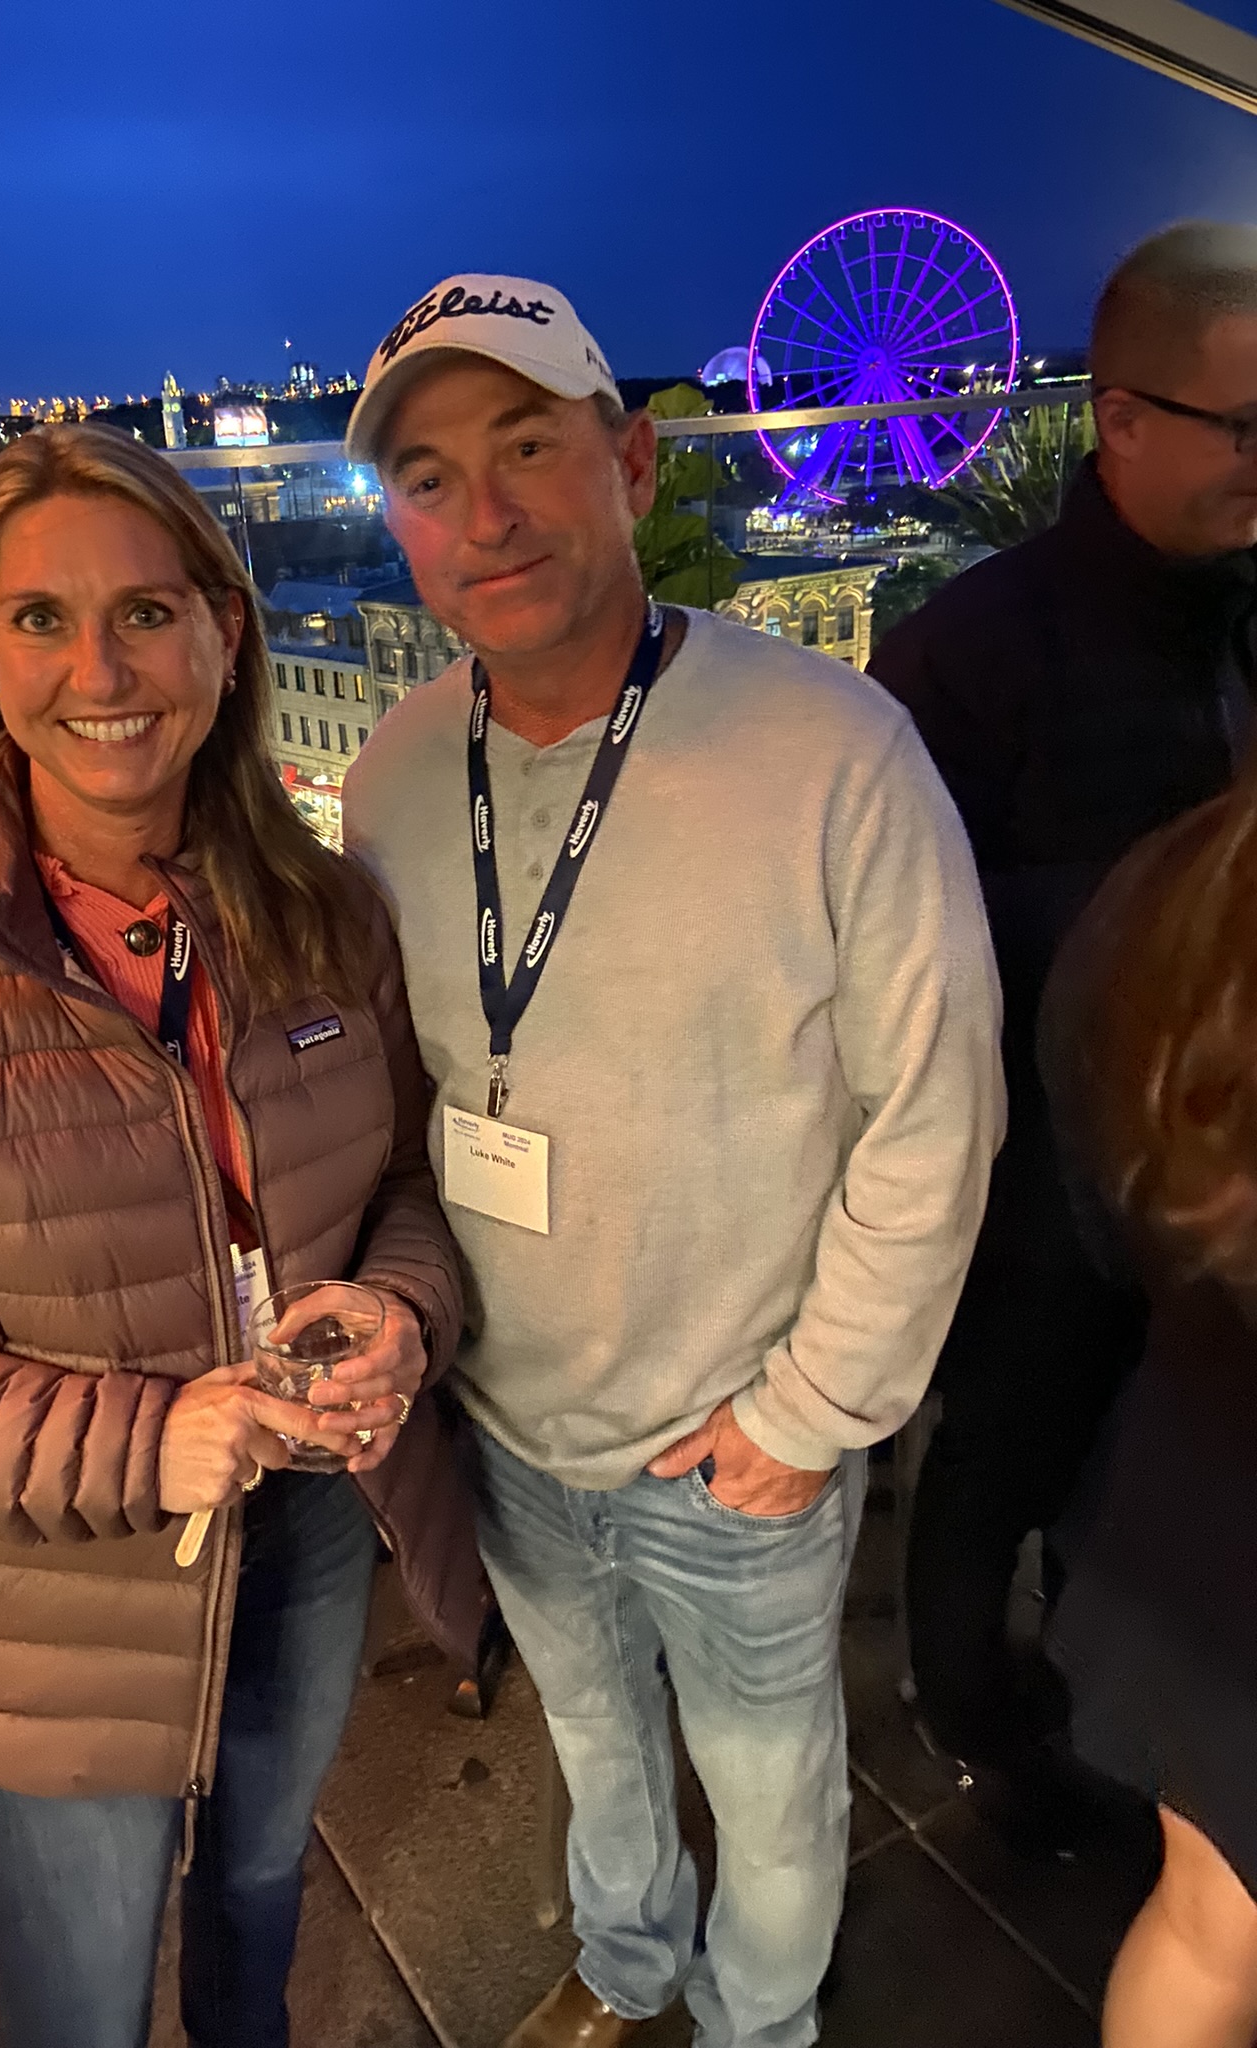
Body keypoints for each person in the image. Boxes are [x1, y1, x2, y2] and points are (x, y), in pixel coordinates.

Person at [0, 423, 487, 2048]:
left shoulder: (323, 911)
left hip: (306, 1523)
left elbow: (405, 1185)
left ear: (225, 631)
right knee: (78, 2006)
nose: (102, 670)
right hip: (35, 1609)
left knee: (259, 1898)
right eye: (42, 618)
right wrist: (145, 1442)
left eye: (147, 611)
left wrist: (399, 1311)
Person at [340, 274, 1004, 2048]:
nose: (484, 513)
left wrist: (812, 1411)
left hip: (737, 1435)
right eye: (427, 477)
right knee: (593, 1741)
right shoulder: (395, 773)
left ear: (632, 464)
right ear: (396, 524)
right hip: (508, 1414)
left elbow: (937, 1107)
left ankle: (759, 2025)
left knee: (772, 1790)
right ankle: (627, 1970)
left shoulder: (833, 750)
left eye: (528, 448)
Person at [867, 221, 1257, 1840]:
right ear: (1122, 419)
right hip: (1037, 1191)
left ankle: (1130, 1722)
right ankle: (984, 1726)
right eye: (1246, 428)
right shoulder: (966, 653)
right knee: (1001, 1461)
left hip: (1212, 1197)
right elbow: (900, 951)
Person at [1038, 755, 1257, 2048]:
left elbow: (1111, 1198)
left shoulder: (1188, 883)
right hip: (1218, 1494)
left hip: (1209, 1477)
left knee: (1209, 1924)